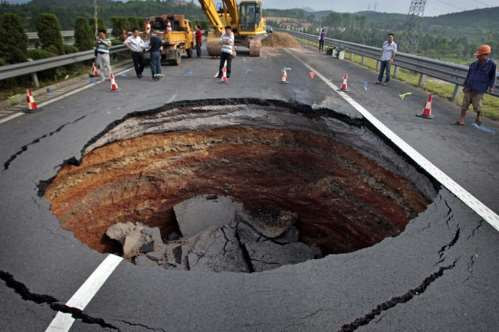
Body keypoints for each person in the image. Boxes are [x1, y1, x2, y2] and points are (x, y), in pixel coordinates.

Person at [456, 44, 496, 126]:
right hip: (469, 87)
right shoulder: (473, 64)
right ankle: (461, 120)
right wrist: (465, 85)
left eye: (480, 55)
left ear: (486, 55)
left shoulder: (492, 65)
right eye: (478, 55)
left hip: (479, 89)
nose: (478, 57)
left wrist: (491, 87)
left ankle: (478, 117)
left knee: (476, 106)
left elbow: (492, 76)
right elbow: (469, 75)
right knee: (464, 105)